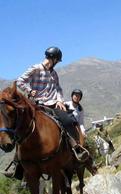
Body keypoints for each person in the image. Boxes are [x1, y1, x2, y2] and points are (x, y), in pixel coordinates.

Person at [4, 47, 88, 179]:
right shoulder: (35, 68)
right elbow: (20, 81)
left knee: (68, 119)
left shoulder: (54, 74)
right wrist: (30, 90)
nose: (57, 63)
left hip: (52, 104)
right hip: (36, 104)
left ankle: (75, 148)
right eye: (57, 61)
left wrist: (59, 100)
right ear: (53, 59)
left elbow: (58, 89)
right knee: (21, 127)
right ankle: (16, 163)